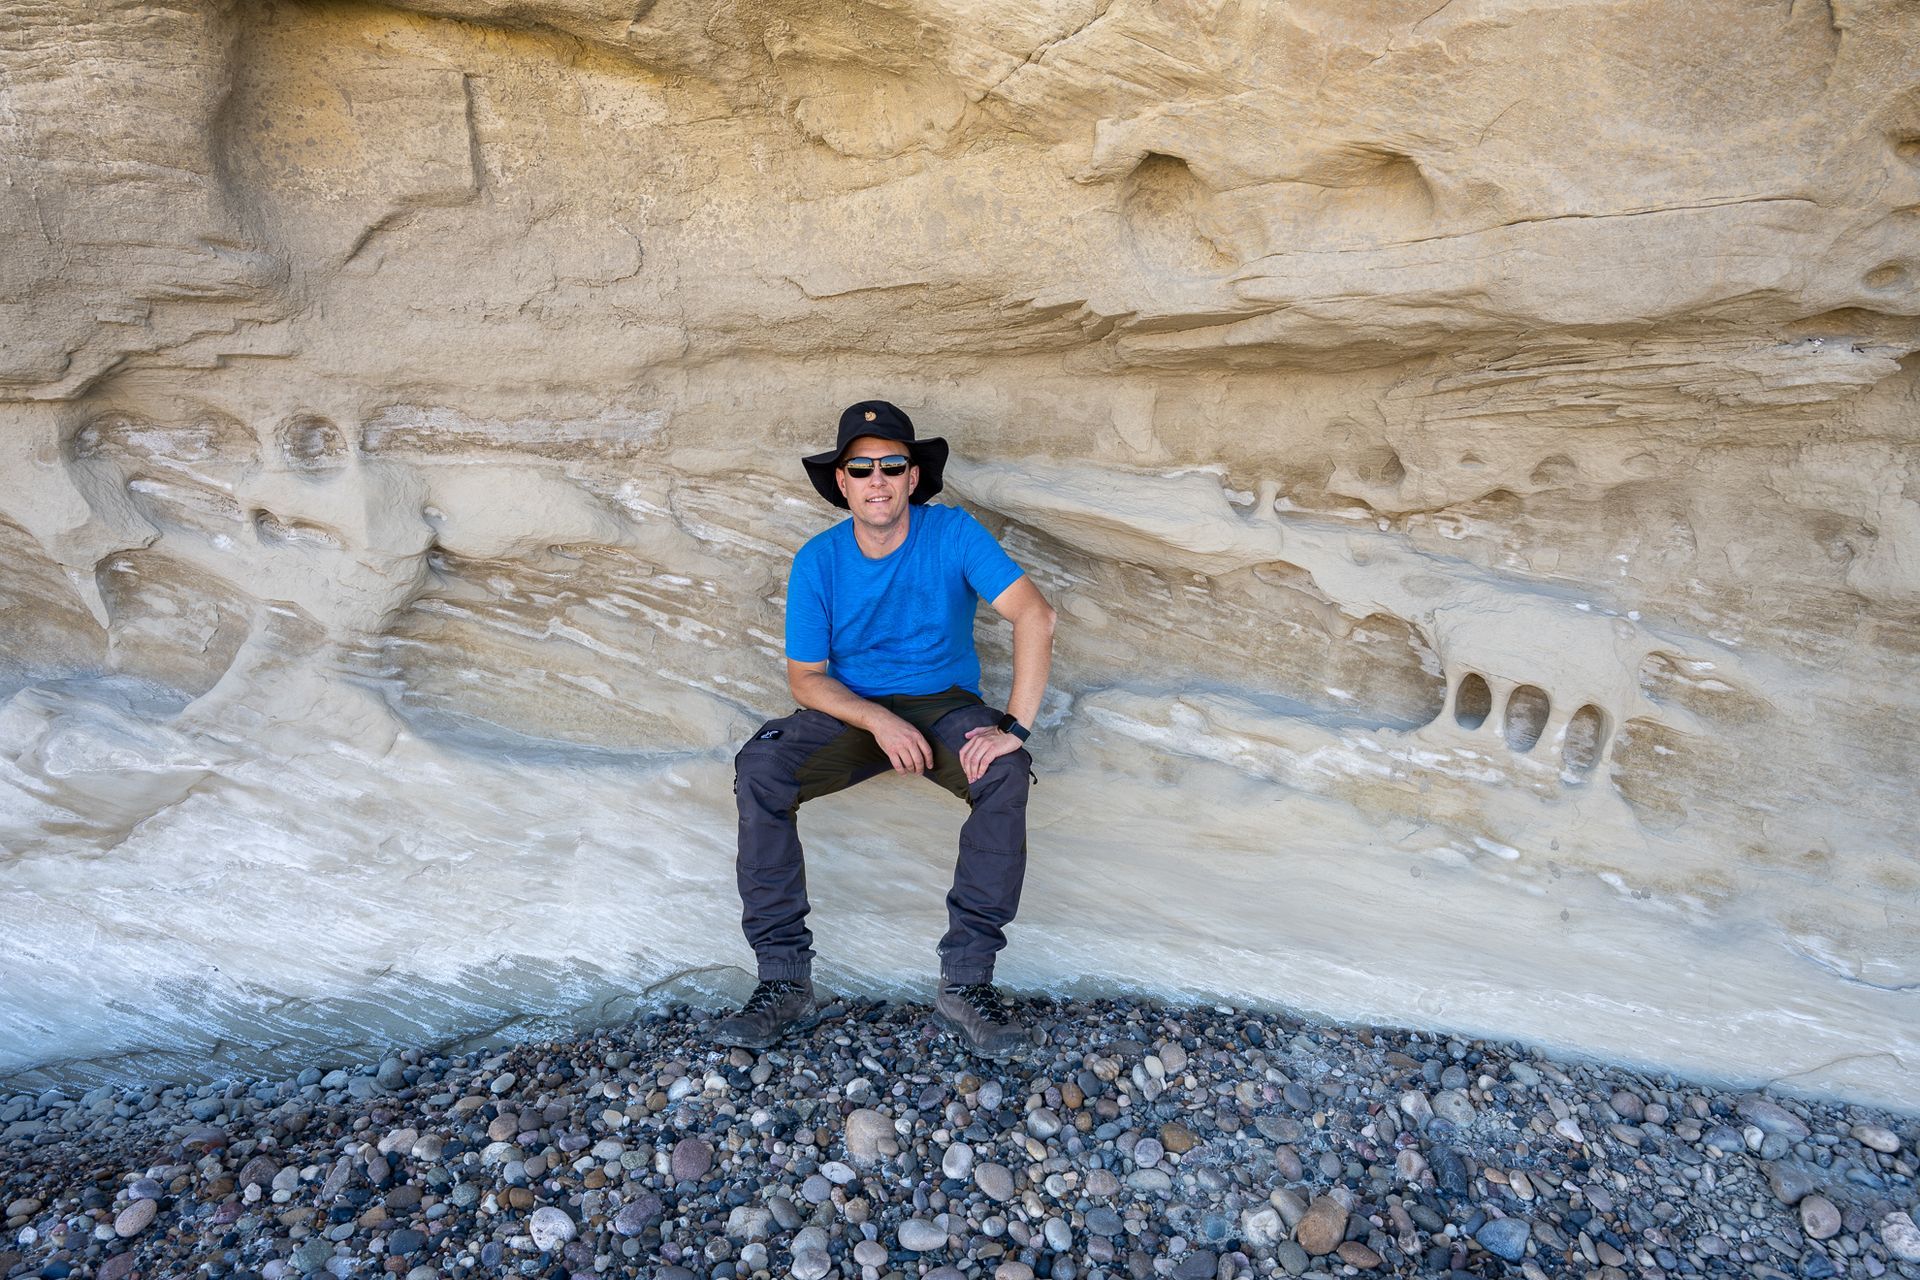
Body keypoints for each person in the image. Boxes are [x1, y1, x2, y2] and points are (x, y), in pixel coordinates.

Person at [716, 400, 1057, 1057]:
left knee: (1006, 771)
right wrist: (875, 719)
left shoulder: (953, 534)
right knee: (761, 768)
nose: (878, 478)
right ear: (842, 481)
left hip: (944, 706)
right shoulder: (818, 560)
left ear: (912, 477)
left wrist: (1014, 725)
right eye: (862, 466)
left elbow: (1034, 616)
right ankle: (783, 981)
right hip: (850, 710)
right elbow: (806, 678)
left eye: (892, 465)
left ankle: (966, 983)